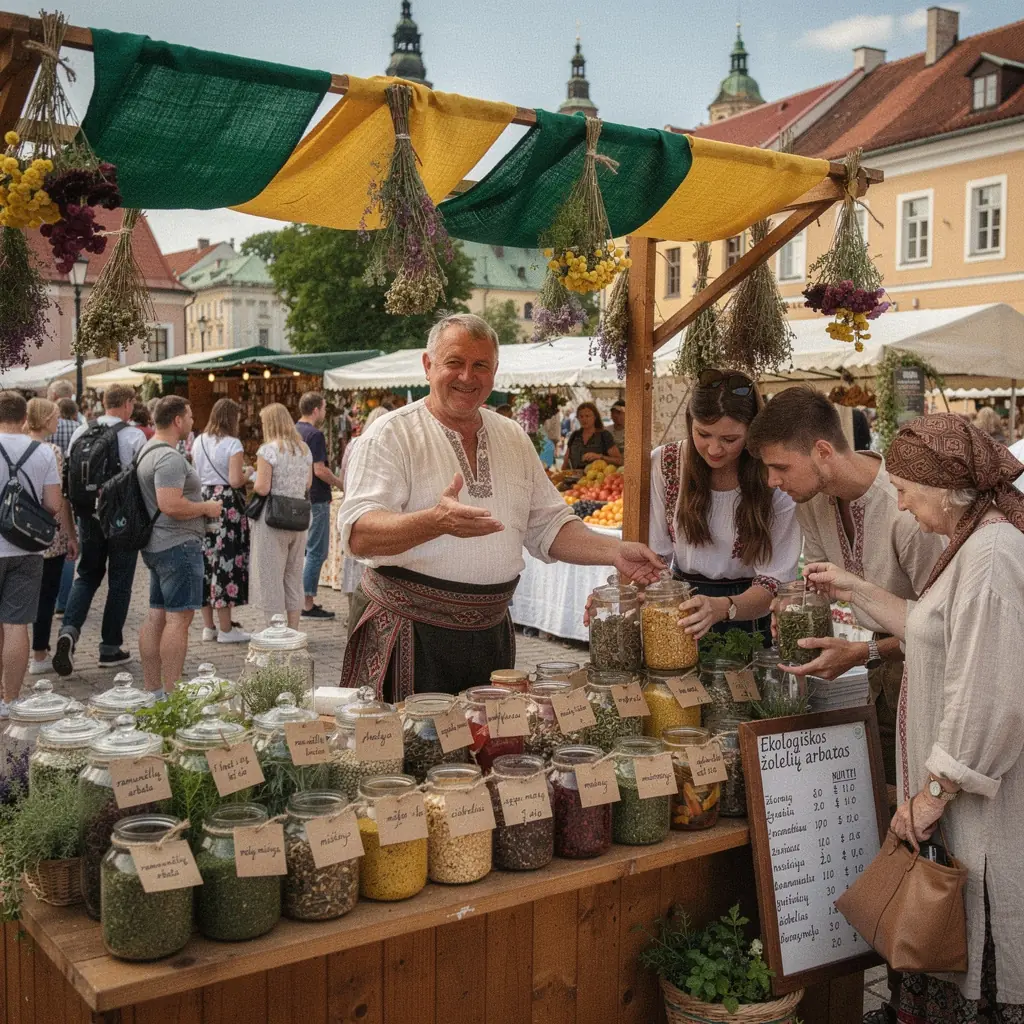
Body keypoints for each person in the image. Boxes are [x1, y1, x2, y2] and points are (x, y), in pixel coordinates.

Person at [805, 414, 1024, 1022]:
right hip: (956, 798)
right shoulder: (970, 544)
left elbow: (992, 695)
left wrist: (933, 792)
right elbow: (928, 629)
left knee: (976, 928)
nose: (899, 506)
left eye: (906, 491)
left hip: (982, 806)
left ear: (946, 486)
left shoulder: (993, 555)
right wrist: (851, 587)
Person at [338, 312, 663, 701]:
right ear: (428, 366)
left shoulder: (512, 436)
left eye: (481, 366)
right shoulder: (392, 433)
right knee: (404, 755)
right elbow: (359, 535)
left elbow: (550, 526)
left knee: (488, 754)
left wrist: (615, 552)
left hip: (488, 635)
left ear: (495, 371)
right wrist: (434, 522)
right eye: (454, 363)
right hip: (407, 631)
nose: (467, 377)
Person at [746, 387, 945, 787]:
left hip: (934, 683)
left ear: (822, 451)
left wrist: (863, 652)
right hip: (883, 676)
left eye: (781, 467)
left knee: (928, 802)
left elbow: (943, 628)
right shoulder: (812, 503)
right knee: (889, 791)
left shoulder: (903, 510)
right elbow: (820, 582)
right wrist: (793, 610)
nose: (771, 480)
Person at [648, 369, 800, 637]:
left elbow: (775, 580)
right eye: (703, 434)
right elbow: (655, 559)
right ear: (689, 421)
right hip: (682, 610)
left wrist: (724, 607)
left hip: (752, 612)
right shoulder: (666, 463)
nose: (715, 449)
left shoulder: (774, 473)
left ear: (752, 431)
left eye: (730, 439)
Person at [53, 384, 147, 676]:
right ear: (128, 404)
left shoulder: (82, 432)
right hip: (121, 519)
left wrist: (72, 529)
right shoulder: (133, 435)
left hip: (87, 515)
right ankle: (109, 647)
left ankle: (69, 631)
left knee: (87, 576)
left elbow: (69, 482)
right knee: (120, 581)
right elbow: (142, 480)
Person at [137, 396, 220, 695]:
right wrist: (206, 508)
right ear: (177, 421)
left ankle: (152, 689)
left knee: (157, 616)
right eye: (189, 416)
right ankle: (172, 693)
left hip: (157, 544)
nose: (193, 422)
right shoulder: (170, 457)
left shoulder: (147, 450)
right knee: (178, 620)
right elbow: (170, 503)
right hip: (177, 543)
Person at [0, 392, 61, 712]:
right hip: (27, 548)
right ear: (25, 418)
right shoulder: (42, 452)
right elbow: (53, 504)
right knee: (16, 624)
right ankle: (10, 698)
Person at [192, 398, 250, 645]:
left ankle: (209, 627)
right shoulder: (232, 443)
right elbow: (236, 480)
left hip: (204, 498)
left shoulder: (198, 441)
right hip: (227, 503)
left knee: (207, 561)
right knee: (226, 561)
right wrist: (249, 473)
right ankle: (227, 629)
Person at [26, 400, 77, 676]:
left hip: (14, 533)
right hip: (48, 535)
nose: (57, 421)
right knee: (46, 596)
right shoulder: (51, 451)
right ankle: (38, 653)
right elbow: (58, 500)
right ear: (45, 419)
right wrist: (70, 533)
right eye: (55, 417)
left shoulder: (13, 446)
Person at [250, 403, 312, 628]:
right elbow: (308, 483)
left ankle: (275, 632)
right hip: (299, 518)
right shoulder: (304, 449)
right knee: (294, 577)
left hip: (274, 519)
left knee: (271, 578)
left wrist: (252, 478)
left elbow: (263, 487)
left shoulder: (268, 450)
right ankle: (294, 631)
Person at [295, 392, 343, 620]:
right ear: (315, 410)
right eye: (323, 408)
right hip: (317, 497)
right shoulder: (314, 434)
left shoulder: (294, 430)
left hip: (300, 497)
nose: (324, 412)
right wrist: (341, 482)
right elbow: (319, 469)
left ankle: (300, 598)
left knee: (304, 551)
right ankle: (307, 601)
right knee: (316, 551)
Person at [339, 405, 389, 602]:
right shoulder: (384, 444)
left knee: (353, 558)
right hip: (377, 508)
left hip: (353, 505)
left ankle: (354, 607)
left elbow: (343, 476)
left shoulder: (353, 444)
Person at [53, 396, 82, 613]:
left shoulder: (49, 432)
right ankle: (64, 601)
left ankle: (51, 599)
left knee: (55, 545)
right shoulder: (79, 427)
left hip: (51, 492)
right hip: (73, 488)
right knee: (69, 544)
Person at [561, 401, 622, 470]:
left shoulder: (604, 435)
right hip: (574, 478)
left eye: (587, 416)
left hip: (596, 479)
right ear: (578, 418)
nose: (584, 419)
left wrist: (599, 457)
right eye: (581, 416)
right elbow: (566, 460)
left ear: (595, 417)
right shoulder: (575, 435)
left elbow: (619, 461)